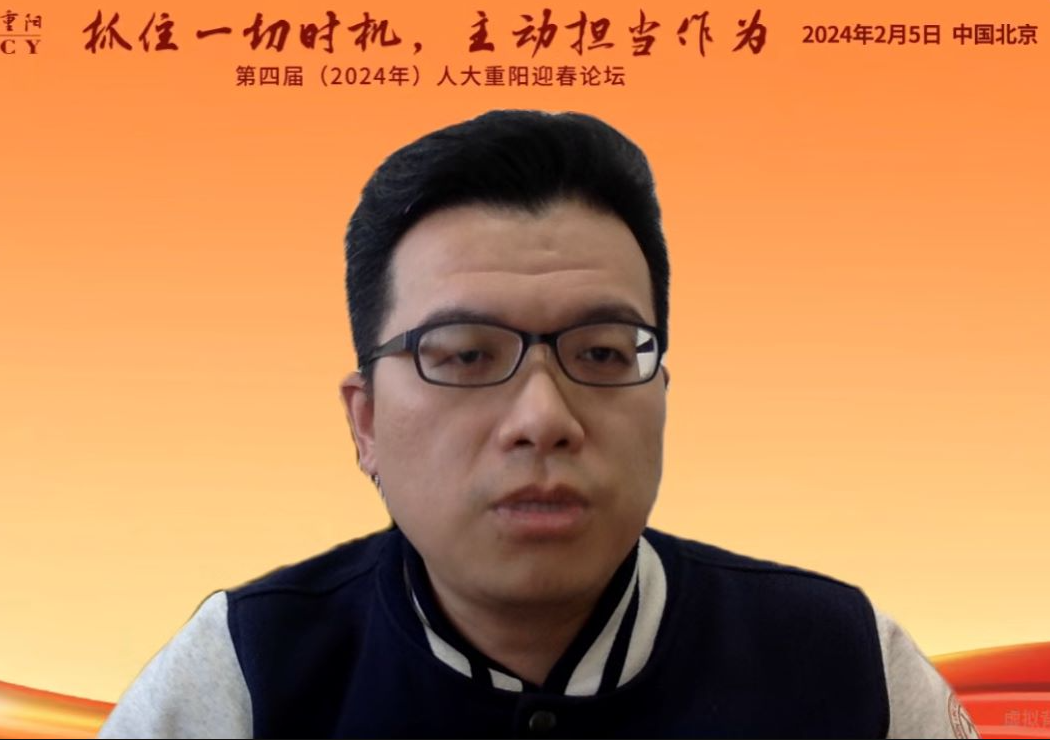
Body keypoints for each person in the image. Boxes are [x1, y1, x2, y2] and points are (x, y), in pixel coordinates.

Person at [100, 110, 976, 738]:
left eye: (600, 353)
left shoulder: (846, 665)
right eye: (464, 355)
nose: (543, 419)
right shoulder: (245, 675)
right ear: (365, 423)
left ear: (660, 396)